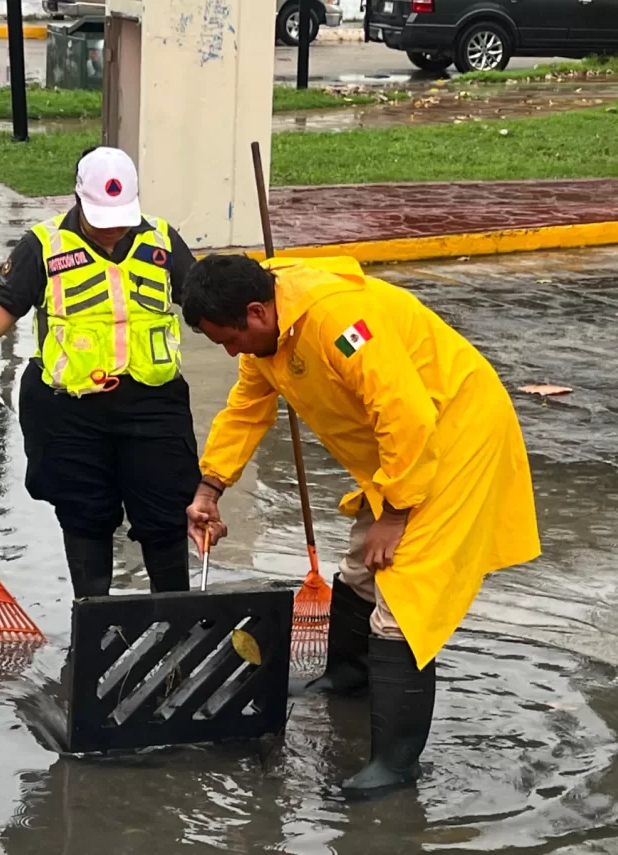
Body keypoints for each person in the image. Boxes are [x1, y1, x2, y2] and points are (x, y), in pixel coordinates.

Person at [182, 254, 541, 792]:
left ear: (256, 312)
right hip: (402, 451)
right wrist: (211, 488)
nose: (230, 351)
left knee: (403, 594)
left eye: (228, 339)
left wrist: (395, 515)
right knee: (359, 567)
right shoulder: (268, 331)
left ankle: (395, 765)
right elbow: (246, 408)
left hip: (455, 432)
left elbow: (407, 414)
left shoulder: (343, 325)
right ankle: (350, 677)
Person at [0, 146, 201, 598]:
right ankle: (93, 622)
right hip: (71, 411)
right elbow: (7, 302)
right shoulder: (43, 244)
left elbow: (202, 301)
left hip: (153, 406)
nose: (113, 228)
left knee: (164, 514)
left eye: (121, 216)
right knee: (85, 515)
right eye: (102, 217)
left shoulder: (162, 241)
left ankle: (175, 622)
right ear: (78, 199)